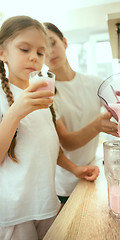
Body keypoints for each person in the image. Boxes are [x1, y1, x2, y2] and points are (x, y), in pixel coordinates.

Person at [0, 16, 99, 240]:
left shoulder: (43, 95)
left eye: (40, 52)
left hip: (46, 204)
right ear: (2, 53)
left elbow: (46, 144)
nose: (34, 57)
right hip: (16, 213)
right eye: (24, 49)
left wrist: (74, 168)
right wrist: (16, 112)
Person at [43, 22, 120, 205]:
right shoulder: (48, 94)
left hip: (92, 172)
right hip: (65, 184)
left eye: (52, 43)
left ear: (64, 42)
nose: (49, 53)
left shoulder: (94, 83)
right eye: (42, 50)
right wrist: (97, 126)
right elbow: (67, 143)